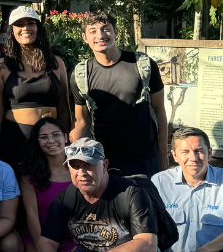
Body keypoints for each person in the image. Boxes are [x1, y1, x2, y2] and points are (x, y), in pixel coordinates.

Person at [70, 11, 168, 176]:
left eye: (105, 29)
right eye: (92, 31)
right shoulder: (81, 75)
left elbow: (160, 111)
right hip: (103, 162)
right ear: (85, 37)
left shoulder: (143, 65)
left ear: (116, 32)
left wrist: (163, 156)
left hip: (144, 160)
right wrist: (74, 161)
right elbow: (80, 122)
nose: (100, 35)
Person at [0, 6, 70, 171]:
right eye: (19, 24)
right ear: (12, 31)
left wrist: (66, 141)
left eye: (30, 23)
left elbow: (64, 109)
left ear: (38, 28)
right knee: (16, 190)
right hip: (15, 138)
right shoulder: (1, 66)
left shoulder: (56, 63)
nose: (25, 28)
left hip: (51, 140)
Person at [19, 118, 76, 252]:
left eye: (55, 134)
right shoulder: (29, 173)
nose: (50, 140)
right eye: (43, 137)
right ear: (37, 142)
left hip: (73, 235)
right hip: (40, 235)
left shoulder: (79, 168)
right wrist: (41, 248)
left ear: (65, 137)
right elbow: (31, 214)